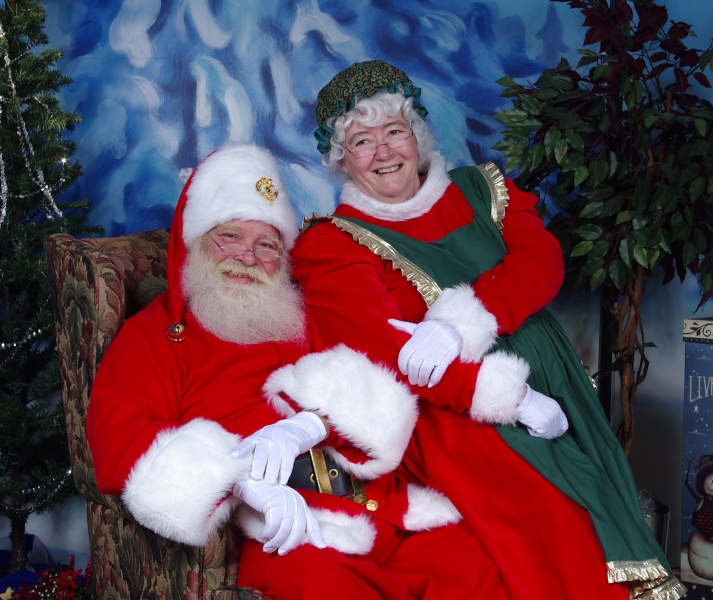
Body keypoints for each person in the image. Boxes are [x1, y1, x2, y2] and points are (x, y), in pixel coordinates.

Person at [292, 60, 685, 599]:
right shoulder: (333, 243)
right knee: (557, 515)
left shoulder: (481, 189)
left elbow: (541, 263)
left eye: (394, 132)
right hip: (453, 415)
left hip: (557, 384)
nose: (383, 152)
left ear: (417, 134)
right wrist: (512, 400)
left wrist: (459, 324)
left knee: (600, 495)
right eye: (361, 141)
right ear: (341, 160)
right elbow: (383, 350)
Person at [86, 144, 512, 599]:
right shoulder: (153, 336)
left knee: (475, 565)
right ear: (195, 242)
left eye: (266, 245)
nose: (248, 257)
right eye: (230, 236)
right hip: (292, 531)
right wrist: (241, 480)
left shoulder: (302, 315)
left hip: (386, 508)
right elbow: (122, 440)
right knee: (327, 587)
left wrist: (314, 423)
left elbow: (379, 387)